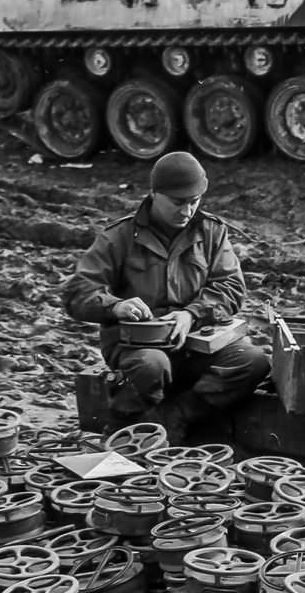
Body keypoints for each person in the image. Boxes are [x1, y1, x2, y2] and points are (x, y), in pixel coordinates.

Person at [63, 150, 270, 441]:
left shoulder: (211, 232)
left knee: (253, 361)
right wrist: (116, 306)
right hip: (136, 346)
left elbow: (231, 287)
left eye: (194, 201)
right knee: (151, 367)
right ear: (154, 194)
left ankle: (175, 418)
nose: (187, 211)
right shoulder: (120, 237)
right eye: (177, 202)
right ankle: (124, 425)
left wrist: (191, 314)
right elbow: (76, 291)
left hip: (194, 343)